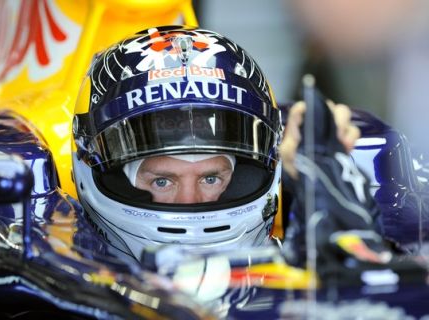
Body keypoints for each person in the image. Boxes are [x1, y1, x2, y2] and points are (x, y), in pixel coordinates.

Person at [71, 25, 374, 265]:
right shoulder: (58, 275)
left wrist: (348, 240)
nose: (190, 202)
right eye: (162, 180)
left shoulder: (305, 259)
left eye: (211, 177)